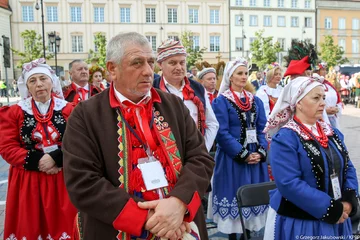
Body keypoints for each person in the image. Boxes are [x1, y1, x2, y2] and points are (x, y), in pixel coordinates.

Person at [62, 32, 214, 239]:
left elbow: (200, 158)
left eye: (150, 62)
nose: (148, 71)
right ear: (112, 69)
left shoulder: (174, 106)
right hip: (117, 229)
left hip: (181, 223)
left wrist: (179, 203)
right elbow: (82, 182)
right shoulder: (85, 115)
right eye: (137, 63)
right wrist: (151, 219)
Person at [263, 76, 358, 240]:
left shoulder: (331, 133)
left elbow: (348, 166)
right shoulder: (285, 138)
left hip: (339, 216)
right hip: (303, 222)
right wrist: (331, 209)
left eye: (323, 97)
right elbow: (289, 183)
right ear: (297, 102)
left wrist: (349, 200)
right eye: (316, 98)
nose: (323, 103)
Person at [0, 58, 77, 239]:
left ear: (52, 81)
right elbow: (7, 146)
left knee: (66, 225)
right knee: (33, 225)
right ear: (27, 86)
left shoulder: (70, 110)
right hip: (28, 179)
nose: (39, 84)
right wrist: (38, 160)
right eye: (33, 81)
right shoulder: (14, 112)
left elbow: (80, 141)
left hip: (62, 176)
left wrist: (57, 158)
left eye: (43, 79)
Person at [209, 57, 269, 240]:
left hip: (254, 161)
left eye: (245, 73)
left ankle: (248, 235)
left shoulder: (255, 101)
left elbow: (262, 129)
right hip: (232, 161)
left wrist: (260, 151)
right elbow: (222, 133)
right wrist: (242, 154)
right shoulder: (221, 102)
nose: (244, 77)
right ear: (230, 76)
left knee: (252, 202)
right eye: (239, 73)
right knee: (235, 199)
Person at [153, 39, 219, 152]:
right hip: (163, 155)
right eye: (172, 63)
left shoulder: (197, 88)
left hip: (195, 154)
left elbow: (212, 123)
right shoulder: (152, 89)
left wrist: (203, 149)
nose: (179, 67)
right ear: (160, 65)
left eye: (182, 62)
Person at [313, 62, 343, 129]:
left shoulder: (328, 85)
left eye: (325, 70)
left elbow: (338, 101)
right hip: (318, 121)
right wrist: (324, 111)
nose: (325, 72)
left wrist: (337, 109)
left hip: (332, 120)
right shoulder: (312, 85)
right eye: (322, 70)